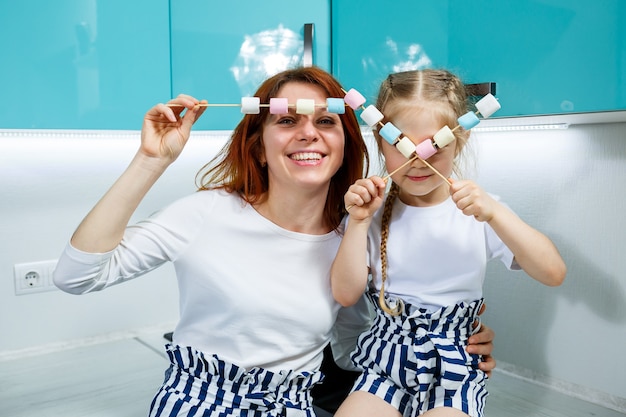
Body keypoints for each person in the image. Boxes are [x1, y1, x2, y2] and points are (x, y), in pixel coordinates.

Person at [53, 66, 497, 417]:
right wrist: (150, 161)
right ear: (260, 146)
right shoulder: (207, 213)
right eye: (287, 120)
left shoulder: (353, 235)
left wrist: (451, 348)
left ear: (345, 144)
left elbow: (355, 348)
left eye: (326, 120)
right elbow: (76, 276)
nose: (308, 132)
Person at [330, 69, 567, 417]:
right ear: (380, 141)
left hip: (456, 366)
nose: (418, 159)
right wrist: (359, 223)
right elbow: (346, 294)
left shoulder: (479, 213)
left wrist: (496, 214)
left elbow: (553, 272)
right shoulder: (371, 213)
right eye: (401, 143)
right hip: (384, 362)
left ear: (461, 140)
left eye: (434, 144)